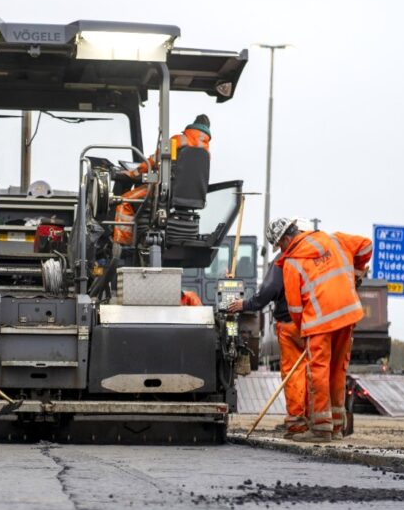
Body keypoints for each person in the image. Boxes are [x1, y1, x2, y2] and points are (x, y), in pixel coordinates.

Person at [272, 217, 372, 442]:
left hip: (319, 323)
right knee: (337, 370)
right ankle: (336, 427)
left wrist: (302, 328)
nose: (280, 251)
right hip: (347, 315)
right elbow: (366, 245)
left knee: (317, 372)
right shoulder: (334, 240)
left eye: (279, 245)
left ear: (286, 239)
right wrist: (355, 275)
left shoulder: (292, 262)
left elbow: (295, 307)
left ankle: (320, 428)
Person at [228, 231, 307, 438]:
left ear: (284, 240)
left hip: (291, 323)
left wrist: (244, 304)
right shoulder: (313, 257)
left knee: (293, 373)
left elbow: (268, 291)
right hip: (315, 324)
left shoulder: (283, 260)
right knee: (314, 370)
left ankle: (297, 423)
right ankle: (317, 421)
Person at [113, 114, 211, 246]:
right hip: (190, 197)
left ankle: (122, 245)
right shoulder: (206, 152)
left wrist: (133, 173)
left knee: (124, 201)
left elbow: (155, 160)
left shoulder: (179, 140)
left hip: (163, 190)